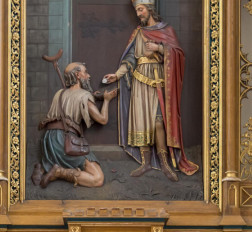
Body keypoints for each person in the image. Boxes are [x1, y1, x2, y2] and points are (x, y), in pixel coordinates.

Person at [103, 0, 199, 182]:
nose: (138, 14)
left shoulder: (166, 30)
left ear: (150, 9)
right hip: (140, 82)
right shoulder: (138, 33)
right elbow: (130, 59)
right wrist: (117, 75)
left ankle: (164, 163)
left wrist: (159, 48)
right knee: (141, 122)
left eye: (141, 10)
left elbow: (178, 54)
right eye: (136, 11)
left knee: (158, 122)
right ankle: (145, 163)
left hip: (158, 81)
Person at [32, 62, 118, 188]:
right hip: (64, 141)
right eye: (85, 72)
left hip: (49, 140)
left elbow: (71, 102)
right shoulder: (84, 95)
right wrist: (106, 100)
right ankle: (59, 172)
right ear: (78, 75)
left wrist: (93, 97)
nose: (88, 76)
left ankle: (43, 167)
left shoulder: (59, 93)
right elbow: (102, 120)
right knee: (97, 179)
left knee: (62, 158)